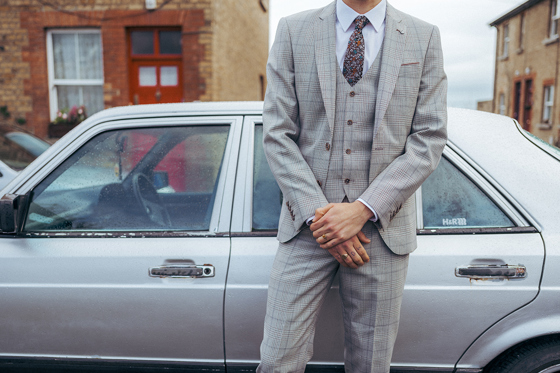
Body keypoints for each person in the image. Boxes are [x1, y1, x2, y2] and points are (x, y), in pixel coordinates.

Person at [258, 0, 447, 371]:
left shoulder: (423, 37)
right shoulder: (294, 29)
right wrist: (324, 219)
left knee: (371, 363)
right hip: (305, 229)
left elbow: (429, 138)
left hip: (381, 230)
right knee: (277, 358)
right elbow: (277, 133)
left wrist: (362, 209)